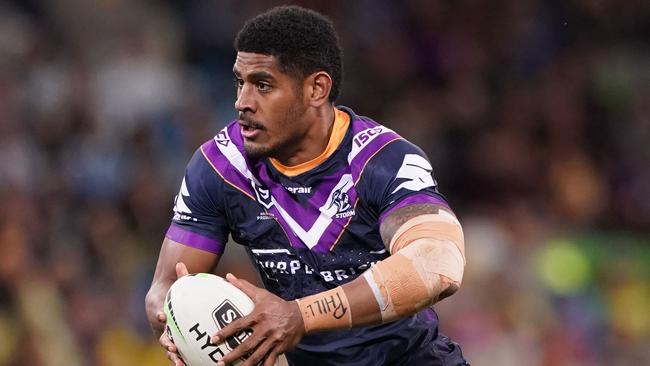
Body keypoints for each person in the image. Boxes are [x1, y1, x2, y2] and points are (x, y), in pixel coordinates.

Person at [145, 5, 469, 366]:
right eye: (240, 82)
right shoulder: (220, 168)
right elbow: (165, 289)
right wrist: (177, 331)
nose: (242, 103)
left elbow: (438, 266)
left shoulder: (382, 160)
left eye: (263, 85)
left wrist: (300, 315)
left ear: (316, 88)